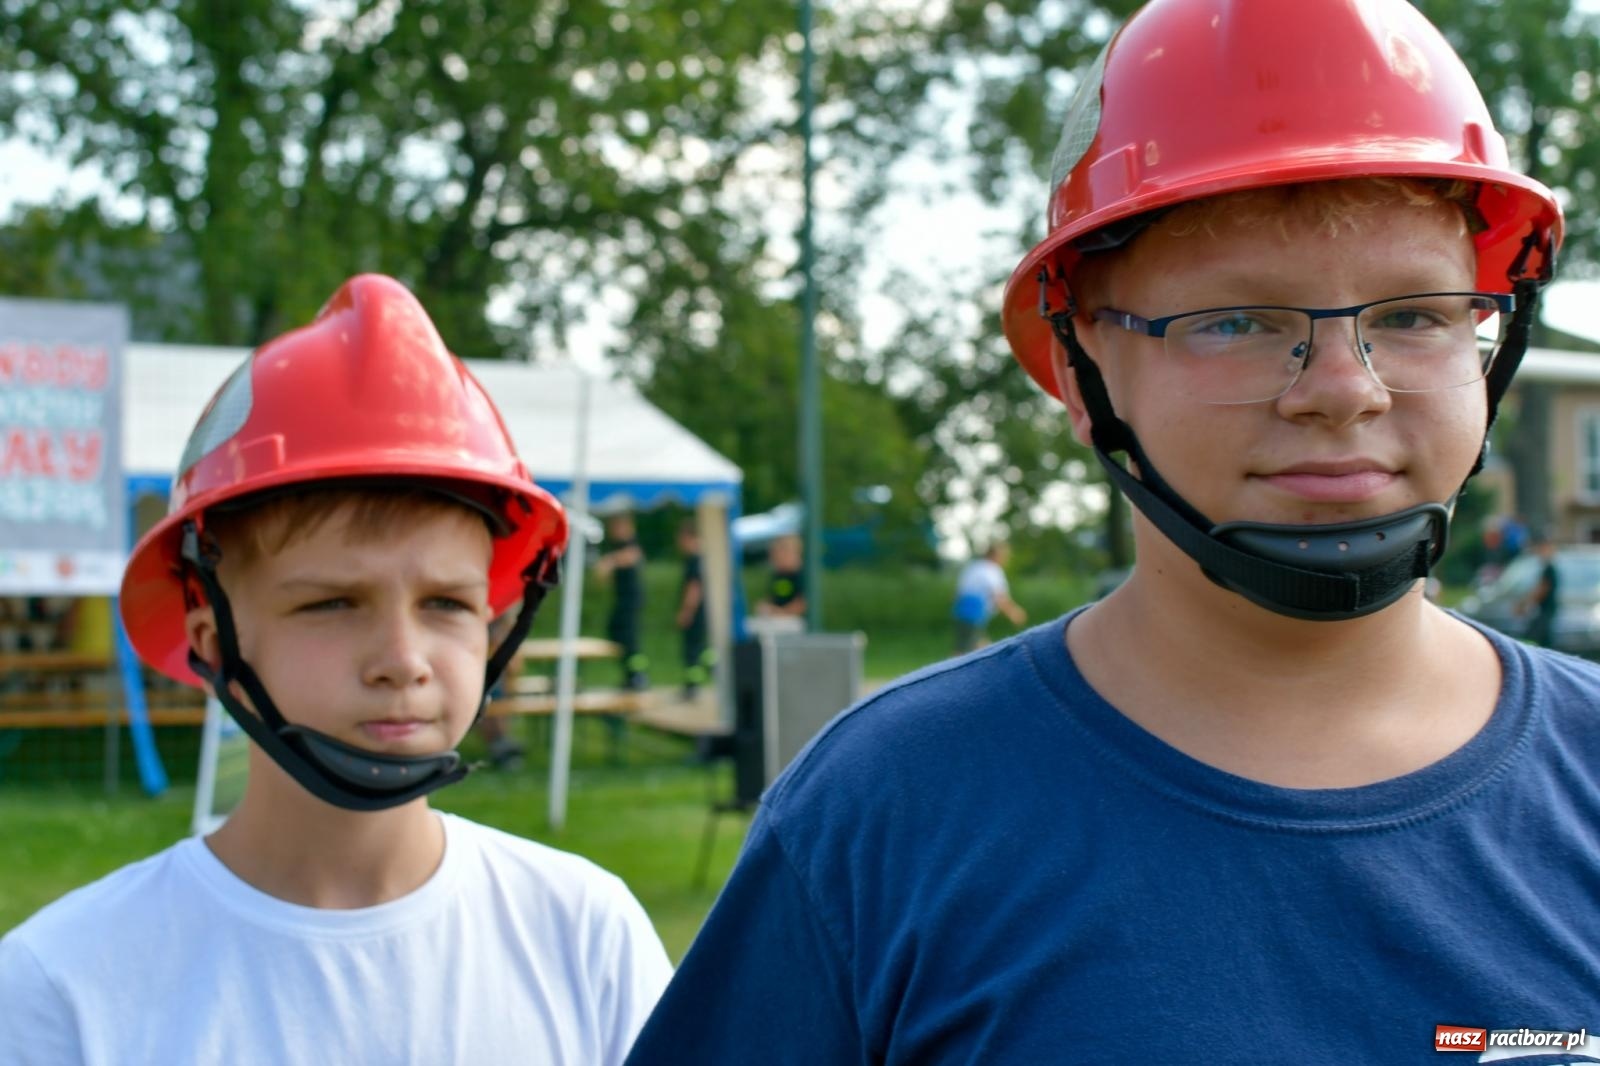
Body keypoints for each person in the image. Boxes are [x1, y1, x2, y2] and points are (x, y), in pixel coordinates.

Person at [625, 2, 1594, 1062]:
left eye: (1412, 315)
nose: (1342, 389)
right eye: (1236, 321)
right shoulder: (886, 811)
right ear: (1081, 371)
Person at [0, 276, 672, 1065]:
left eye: (448, 604)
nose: (403, 661)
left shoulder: (586, 938)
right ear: (213, 642)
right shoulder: (62, 990)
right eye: (332, 604)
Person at [594, 511, 650, 691]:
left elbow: (633, 555)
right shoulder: (617, 546)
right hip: (622, 599)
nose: (614, 530)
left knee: (629, 638)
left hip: (631, 599)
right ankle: (630, 674)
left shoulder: (630, 544)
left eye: (617, 526)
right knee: (616, 631)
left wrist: (610, 562)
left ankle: (638, 676)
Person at [950, 540, 1026, 653]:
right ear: (996, 555)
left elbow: (957, 593)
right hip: (974, 614)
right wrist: (1013, 612)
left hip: (962, 612)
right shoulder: (991, 570)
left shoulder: (974, 567)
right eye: (1005, 556)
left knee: (977, 647)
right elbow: (999, 597)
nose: (1006, 559)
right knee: (965, 651)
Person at [674, 518, 713, 700]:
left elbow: (694, 587)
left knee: (692, 650)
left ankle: (692, 687)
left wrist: (687, 611)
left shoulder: (695, 560)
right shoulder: (706, 558)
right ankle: (712, 672)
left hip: (696, 612)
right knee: (703, 649)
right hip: (705, 612)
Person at [1519, 532, 1561, 648]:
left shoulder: (1549, 569)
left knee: (1533, 638)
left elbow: (1542, 589)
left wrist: (1526, 604)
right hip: (1545, 610)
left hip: (1546, 610)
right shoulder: (1547, 568)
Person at [755, 532, 807, 623]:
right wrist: (767, 606)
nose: (775, 560)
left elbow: (802, 603)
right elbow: (774, 597)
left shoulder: (800, 576)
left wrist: (783, 613)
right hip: (779, 618)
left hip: (796, 621)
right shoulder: (778, 575)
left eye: (778, 556)